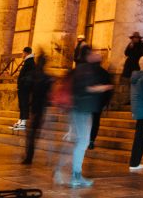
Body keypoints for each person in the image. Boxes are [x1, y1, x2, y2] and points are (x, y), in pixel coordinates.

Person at [54, 47, 113, 188]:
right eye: (94, 53)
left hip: (78, 109)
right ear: (89, 56)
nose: (97, 55)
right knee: (82, 142)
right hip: (82, 110)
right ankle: (76, 176)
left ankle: (60, 171)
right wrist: (102, 88)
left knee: (76, 142)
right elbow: (85, 88)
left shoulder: (78, 70)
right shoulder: (86, 70)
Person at [22, 53, 52, 165]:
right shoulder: (47, 77)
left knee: (30, 134)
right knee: (34, 134)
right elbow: (49, 94)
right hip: (41, 108)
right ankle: (31, 156)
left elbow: (25, 89)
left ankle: (29, 156)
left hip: (32, 107)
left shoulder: (32, 75)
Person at [88, 51, 113, 150]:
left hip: (87, 102)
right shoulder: (104, 73)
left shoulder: (87, 72)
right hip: (98, 103)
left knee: (87, 121)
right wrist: (106, 102)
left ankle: (85, 140)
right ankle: (91, 140)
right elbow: (109, 89)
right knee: (95, 122)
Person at [13, 46, 33, 130]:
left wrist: (21, 82)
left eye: (23, 53)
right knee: (21, 104)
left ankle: (23, 121)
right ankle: (20, 119)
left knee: (24, 103)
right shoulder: (27, 61)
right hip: (22, 87)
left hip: (25, 87)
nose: (22, 54)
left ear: (26, 53)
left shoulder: (30, 62)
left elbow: (28, 76)